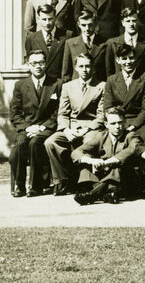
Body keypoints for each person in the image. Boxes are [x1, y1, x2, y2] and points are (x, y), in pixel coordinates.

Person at [44, 52, 105, 195]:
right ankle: (62, 180)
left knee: (89, 142)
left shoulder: (101, 86)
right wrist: (66, 130)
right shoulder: (68, 86)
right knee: (50, 142)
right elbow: (63, 113)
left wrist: (85, 130)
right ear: (76, 68)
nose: (85, 70)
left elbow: (101, 115)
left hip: (90, 127)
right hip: (71, 127)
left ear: (93, 68)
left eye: (88, 66)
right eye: (81, 66)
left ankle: (87, 182)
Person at [7, 49, 60, 197]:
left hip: (46, 127)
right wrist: (28, 127)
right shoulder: (20, 85)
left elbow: (57, 112)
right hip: (27, 127)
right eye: (34, 63)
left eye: (41, 62)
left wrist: (43, 127)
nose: (38, 66)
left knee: (35, 142)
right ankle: (20, 185)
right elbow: (15, 113)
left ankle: (36, 186)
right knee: (20, 144)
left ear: (46, 63)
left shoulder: (56, 83)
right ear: (28, 65)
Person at [71, 107, 141, 205]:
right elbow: (77, 151)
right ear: (106, 124)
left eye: (120, 122)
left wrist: (108, 162)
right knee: (85, 161)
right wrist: (91, 161)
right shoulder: (101, 136)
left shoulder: (131, 135)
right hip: (104, 176)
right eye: (113, 123)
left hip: (124, 178)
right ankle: (106, 192)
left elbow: (132, 149)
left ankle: (92, 194)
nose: (117, 126)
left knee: (118, 164)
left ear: (125, 122)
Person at [101, 43, 145, 141]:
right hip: (117, 122)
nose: (128, 62)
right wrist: (117, 124)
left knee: (138, 143)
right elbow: (108, 107)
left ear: (136, 59)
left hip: (139, 123)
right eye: (124, 58)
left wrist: (132, 127)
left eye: (131, 58)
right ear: (118, 60)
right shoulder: (111, 80)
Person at [24, 3, 70, 82]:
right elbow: (31, 63)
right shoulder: (31, 38)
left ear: (55, 18)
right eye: (44, 19)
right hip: (41, 83)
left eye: (50, 19)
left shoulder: (67, 36)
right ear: (38, 19)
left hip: (61, 83)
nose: (47, 23)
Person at [105, 7, 145, 78]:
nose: (131, 24)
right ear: (123, 23)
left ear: (138, 22)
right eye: (128, 21)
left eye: (134, 21)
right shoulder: (112, 43)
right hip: (118, 85)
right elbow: (109, 70)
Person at [62, 10, 107, 82]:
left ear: (96, 24)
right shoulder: (70, 43)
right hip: (76, 88)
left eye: (90, 25)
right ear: (78, 24)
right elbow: (66, 73)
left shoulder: (104, 43)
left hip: (97, 87)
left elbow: (108, 71)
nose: (87, 28)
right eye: (83, 25)